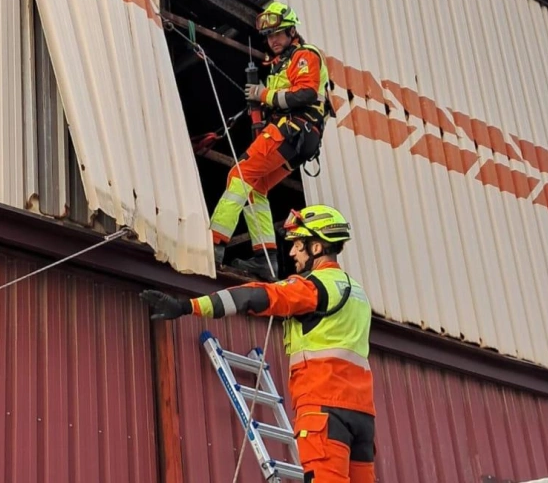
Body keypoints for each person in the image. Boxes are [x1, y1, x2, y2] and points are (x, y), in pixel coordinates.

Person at [141, 205, 376, 483]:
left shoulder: (314, 287)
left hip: (323, 410)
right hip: (362, 416)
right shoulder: (358, 293)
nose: (291, 253)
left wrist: (188, 306)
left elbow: (253, 298)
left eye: (298, 245)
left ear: (316, 247)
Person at [210, 1, 333, 282]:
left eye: (278, 33)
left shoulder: (304, 55)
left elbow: (304, 95)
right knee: (256, 189)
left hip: (292, 131)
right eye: (269, 36)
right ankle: (265, 261)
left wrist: (263, 95)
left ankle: (215, 244)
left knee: (238, 174)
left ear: (291, 32)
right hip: (298, 139)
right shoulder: (280, 66)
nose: (273, 40)